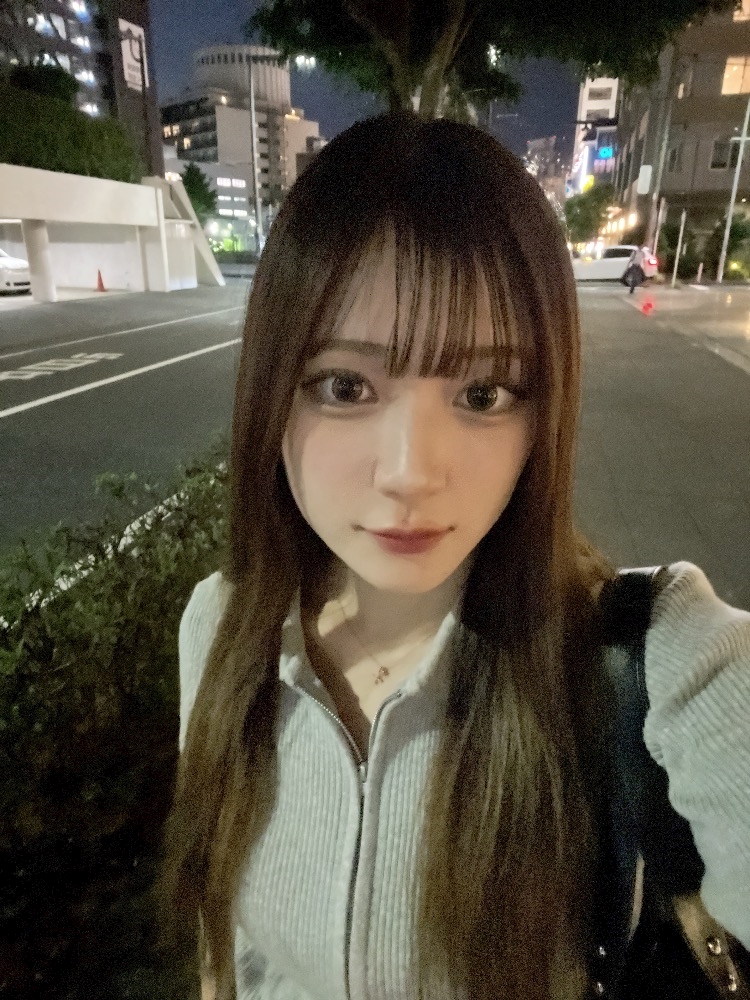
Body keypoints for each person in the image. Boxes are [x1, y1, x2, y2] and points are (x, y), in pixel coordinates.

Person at [162, 114, 750, 1000]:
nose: (411, 472)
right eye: (346, 386)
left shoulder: (654, 657)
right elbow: (231, 956)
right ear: (271, 391)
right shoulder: (219, 626)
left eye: (484, 393)